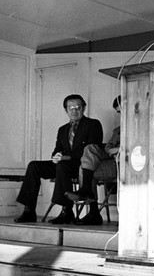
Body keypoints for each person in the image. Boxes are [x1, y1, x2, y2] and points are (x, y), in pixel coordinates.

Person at [14, 94, 103, 225]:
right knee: (34, 166)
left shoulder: (93, 124)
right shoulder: (62, 129)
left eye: (78, 107)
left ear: (84, 109)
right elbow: (57, 149)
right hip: (64, 163)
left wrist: (66, 157)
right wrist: (56, 156)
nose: (74, 110)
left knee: (62, 166)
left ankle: (66, 211)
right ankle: (29, 210)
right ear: (66, 110)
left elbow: (92, 147)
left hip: (81, 165)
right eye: (71, 108)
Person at [65, 96, 121, 225]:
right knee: (88, 158)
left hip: (125, 164)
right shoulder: (118, 130)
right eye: (119, 112)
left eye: (123, 110)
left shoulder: (140, 126)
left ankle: (93, 211)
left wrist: (119, 149)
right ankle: (91, 207)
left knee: (86, 170)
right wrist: (111, 150)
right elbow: (108, 146)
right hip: (111, 160)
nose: (122, 114)